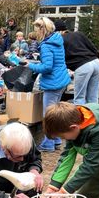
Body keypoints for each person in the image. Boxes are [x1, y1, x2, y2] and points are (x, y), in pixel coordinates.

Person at [25, 17, 70, 152]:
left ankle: (48, 143)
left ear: (42, 29)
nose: (36, 32)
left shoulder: (46, 45)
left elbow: (47, 67)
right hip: (61, 79)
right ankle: (56, 140)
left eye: (37, 29)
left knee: (48, 115)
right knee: (55, 113)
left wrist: (30, 65)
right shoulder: (57, 40)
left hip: (53, 82)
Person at [54, 19, 99, 105]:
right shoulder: (79, 34)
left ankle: (80, 118)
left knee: (79, 97)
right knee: (93, 97)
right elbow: (93, 48)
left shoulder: (60, 39)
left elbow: (60, 58)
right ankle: (95, 117)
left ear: (58, 31)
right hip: (96, 63)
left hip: (82, 66)